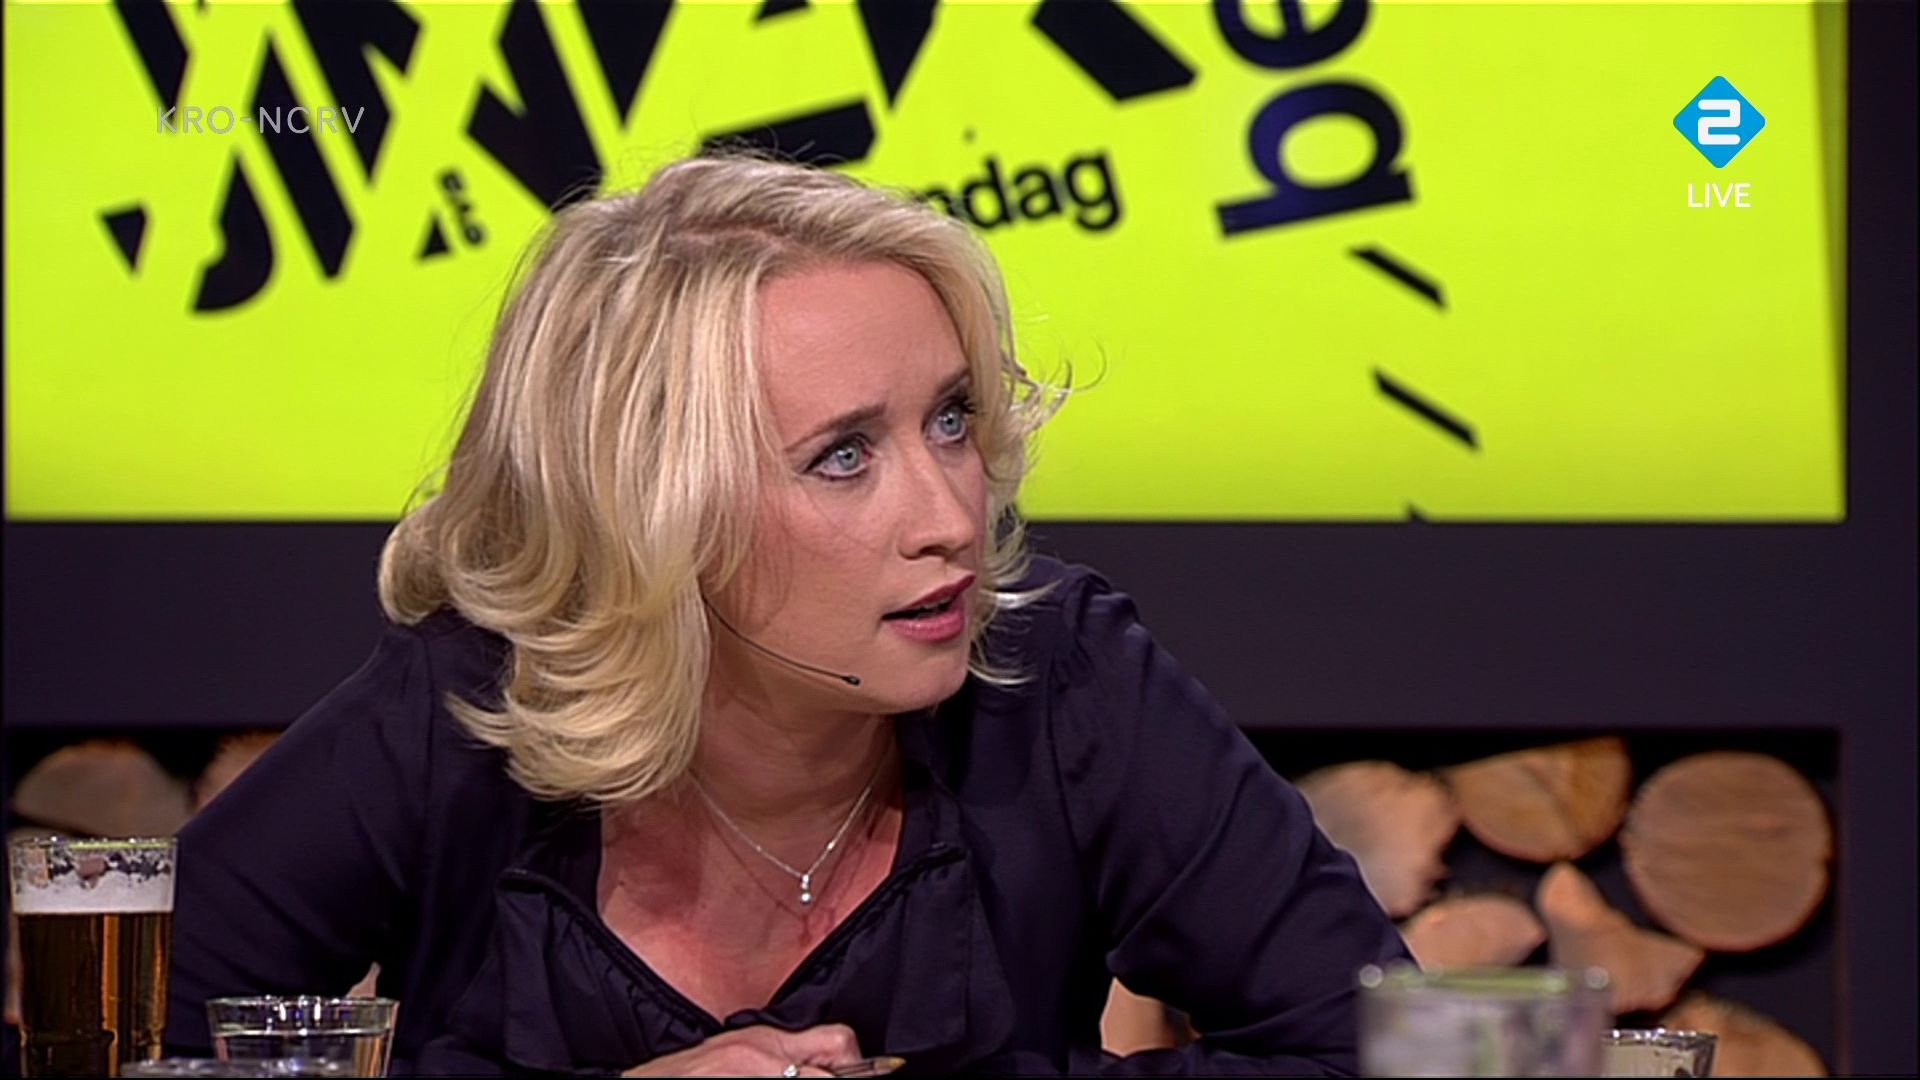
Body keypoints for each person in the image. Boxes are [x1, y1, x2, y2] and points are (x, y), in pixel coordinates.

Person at [163, 154, 1411, 1076]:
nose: (951, 514)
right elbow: (124, 1046)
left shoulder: (1061, 671)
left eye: (952, 419)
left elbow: (1386, 1052)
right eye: (843, 456)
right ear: (650, 508)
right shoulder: (472, 704)